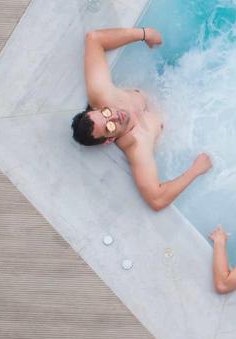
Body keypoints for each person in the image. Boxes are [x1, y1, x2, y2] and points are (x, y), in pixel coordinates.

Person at [70, 27, 212, 211]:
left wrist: (144, 33)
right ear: (110, 140)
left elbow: (94, 39)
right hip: (193, 112)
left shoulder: (102, 95)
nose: (114, 116)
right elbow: (156, 200)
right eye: (110, 127)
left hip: (172, 80)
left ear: (98, 108)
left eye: (106, 113)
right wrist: (195, 170)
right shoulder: (137, 147)